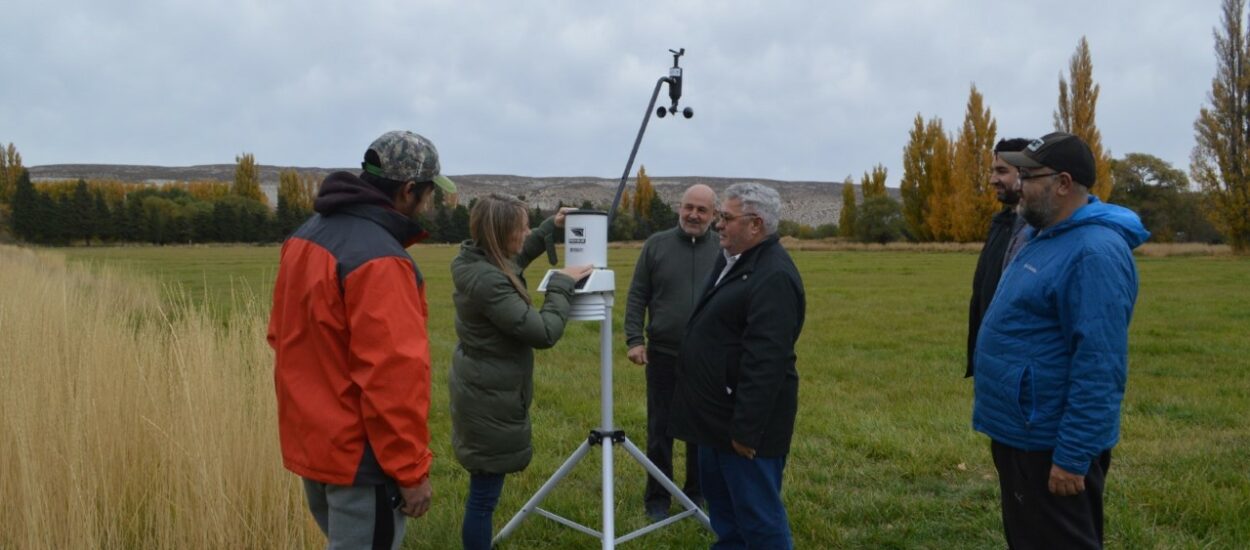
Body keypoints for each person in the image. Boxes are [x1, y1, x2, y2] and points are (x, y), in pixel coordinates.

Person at [268, 130, 456, 549]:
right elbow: (393, 378)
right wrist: (410, 472)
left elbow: (279, 335)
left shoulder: (304, 237)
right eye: (429, 194)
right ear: (409, 191)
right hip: (360, 462)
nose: (429, 204)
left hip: (315, 448)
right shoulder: (381, 260)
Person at [975, 131, 1149, 549]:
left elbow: (1100, 366)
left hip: (1049, 442)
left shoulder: (1094, 252)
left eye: (1030, 176)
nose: (1019, 184)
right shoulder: (1044, 235)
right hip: (1022, 432)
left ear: (1064, 184)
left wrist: (1072, 456)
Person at [447, 195, 593, 550]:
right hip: (487, 398)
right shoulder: (489, 281)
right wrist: (561, 282)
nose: (526, 231)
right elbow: (543, 333)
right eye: (522, 227)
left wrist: (549, 228)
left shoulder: (478, 261)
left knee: (483, 491)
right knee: (483, 498)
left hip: (482, 387)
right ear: (501, 233)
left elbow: (517, 257)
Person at [670, 182, 805, 549]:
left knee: (760, 523)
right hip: (716, 422)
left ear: (755, 225)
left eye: (726, 218)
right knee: (727, 519)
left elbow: (767, 361)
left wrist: (746, 432)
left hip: (745, 431)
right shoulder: (732, 259)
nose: (718, 225)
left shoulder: (773, 276)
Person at [624, 183, 720, 521]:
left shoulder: (724, 249)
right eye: (688, 207)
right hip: (663, 354)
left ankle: (696, 496)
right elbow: (637, 295)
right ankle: (657, 499)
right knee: (660, 430)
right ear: (679, 208)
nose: (694, 214)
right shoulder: (656, 246)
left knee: (701, 432)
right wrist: (635, 339)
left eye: (702, 210)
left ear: (713, 214)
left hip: (708, 358)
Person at [966, 137, 1031, 378]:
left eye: (1002, 171)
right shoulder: (1001, 224)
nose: (993, 179)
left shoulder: (1039, 232)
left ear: (1027, 174)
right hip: (992, 357)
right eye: (993, 171)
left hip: (1018, 364)